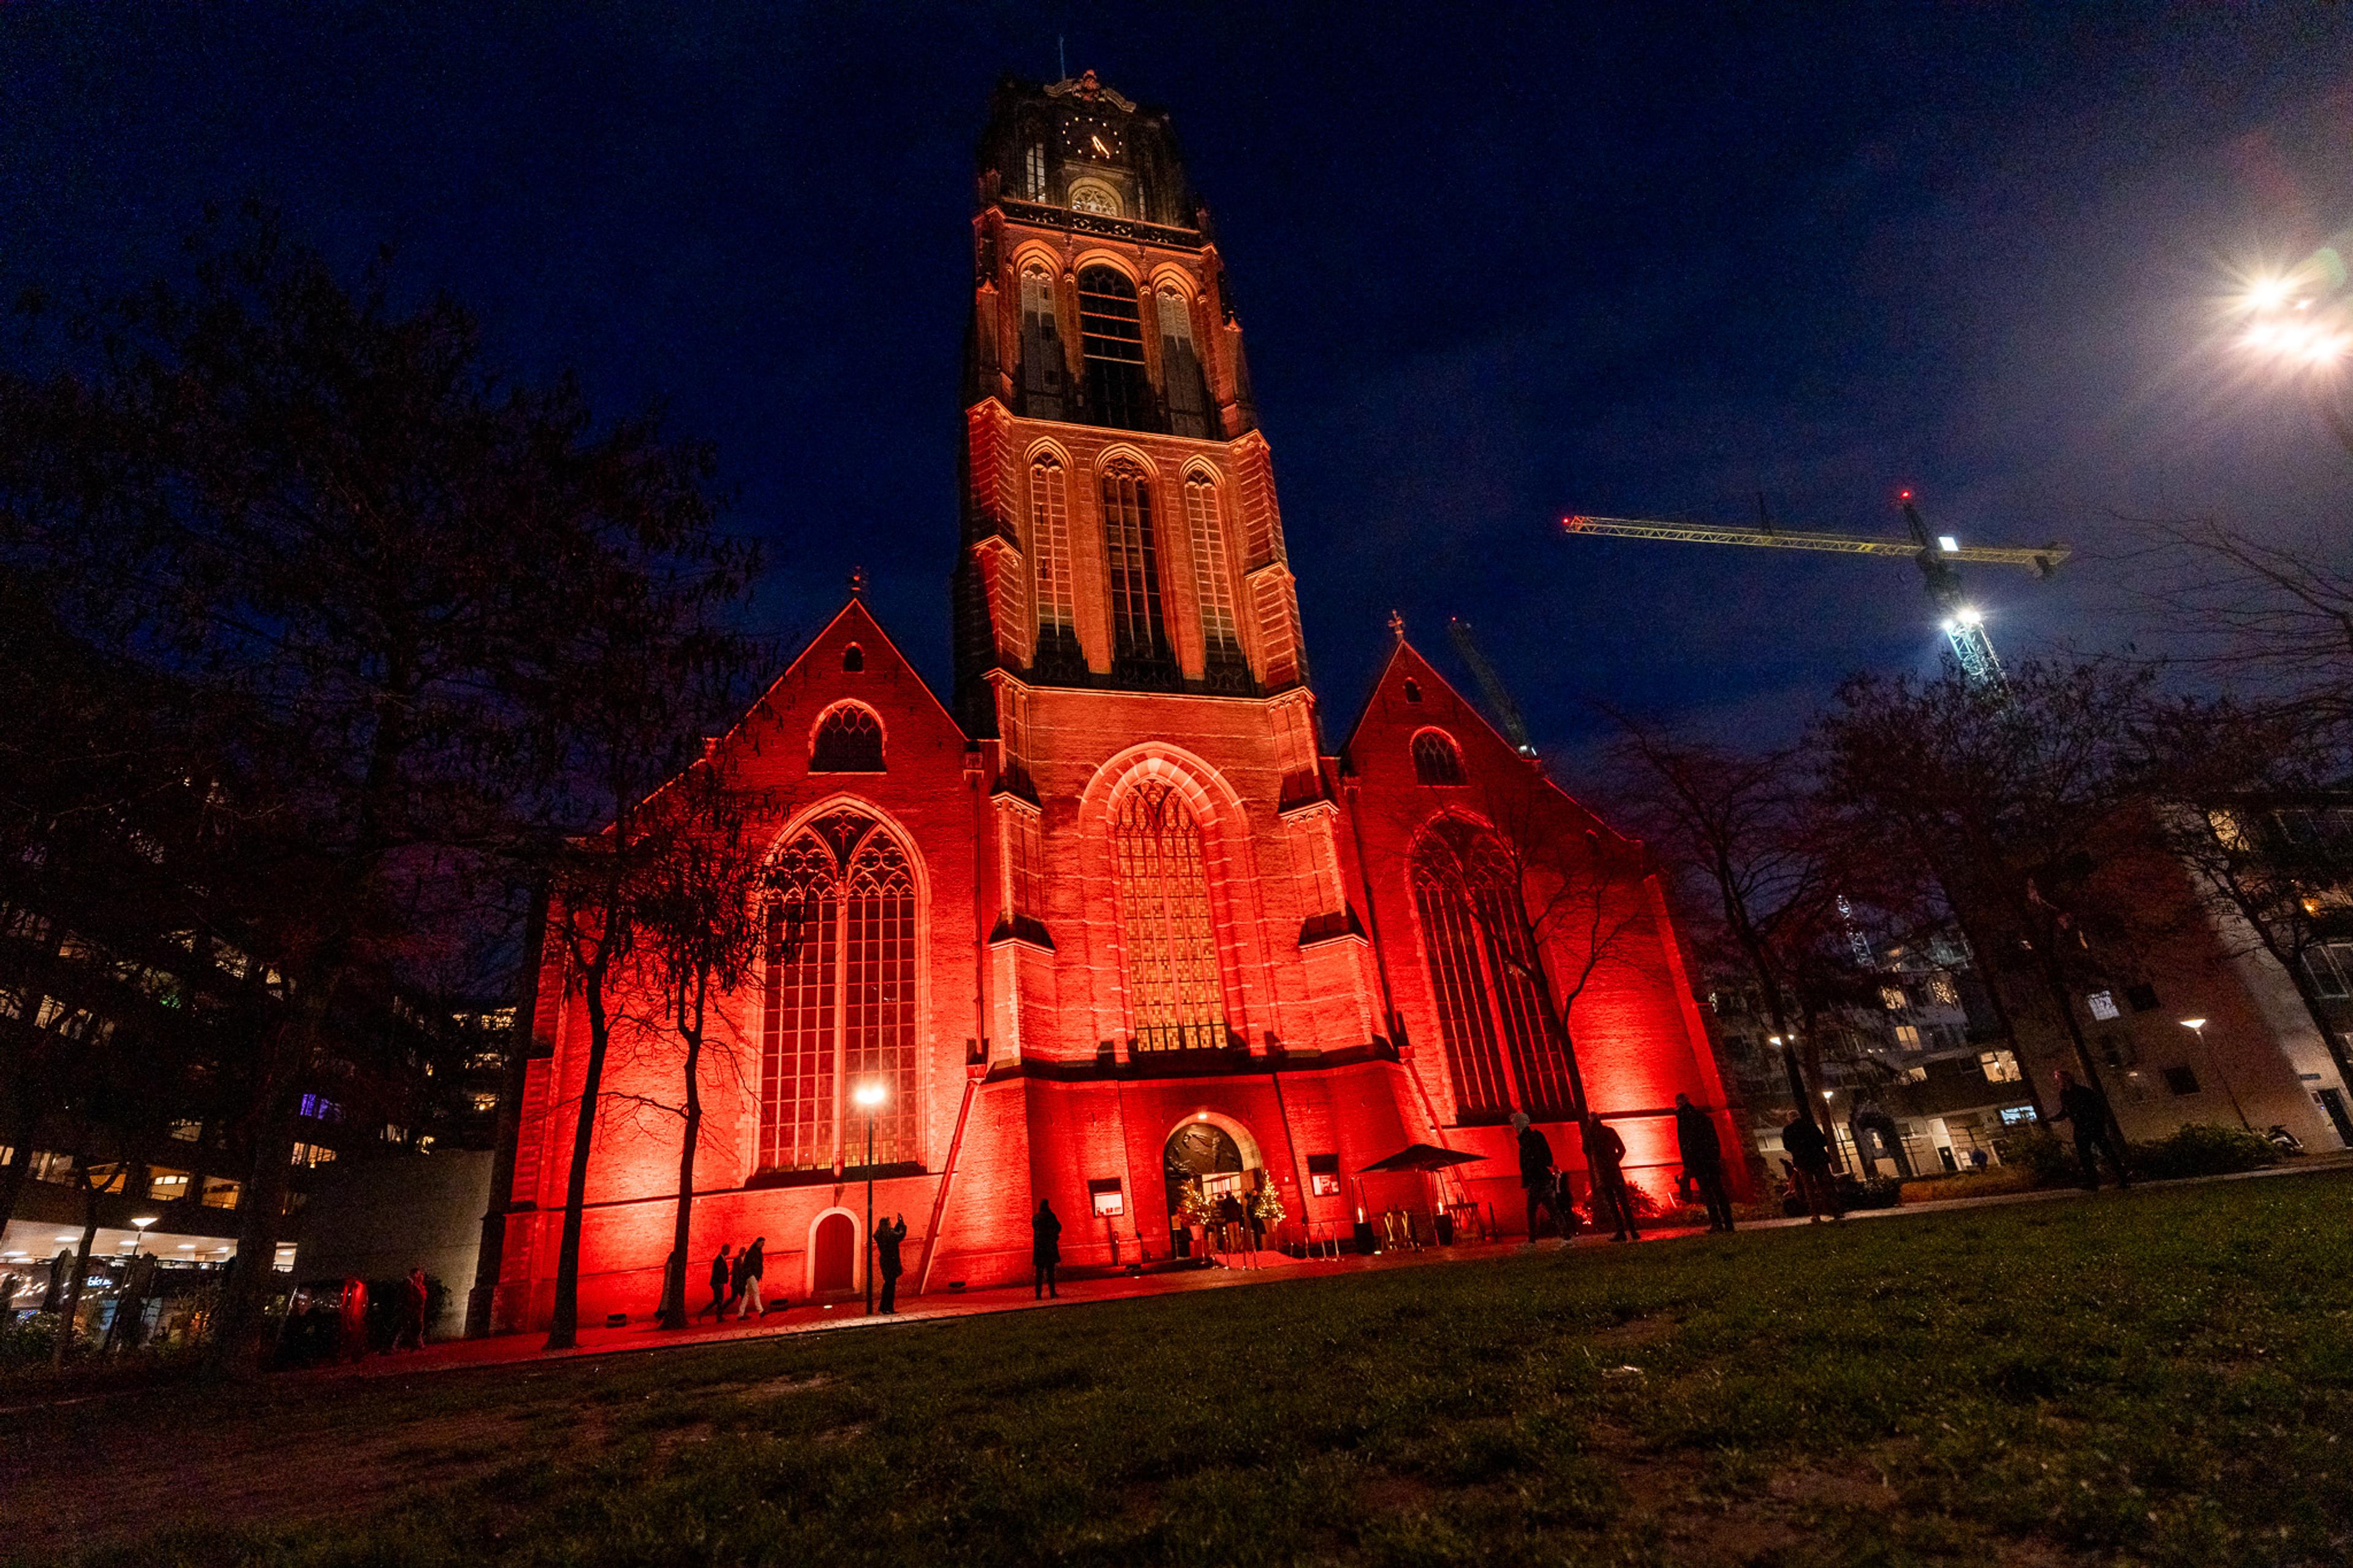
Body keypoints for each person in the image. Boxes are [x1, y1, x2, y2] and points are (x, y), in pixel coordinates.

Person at [2050, 1069, 2131, 1191]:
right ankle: (2093, 1182)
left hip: (2093, 1126)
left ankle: (2123, 1179)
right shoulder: (2064, 1094)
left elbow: (2098, 1107)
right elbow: (2066, 1110)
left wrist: (2098, 1123)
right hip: (2080, 1127)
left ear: (2067, 1079)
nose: (2058, 1083)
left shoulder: (2083, 1092)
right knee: (2085, 1156)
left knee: (2108, 1152)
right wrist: (2055, 1119)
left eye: (2059, 1080)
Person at [1674, 1093, 1735, 1233]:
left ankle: (1717, 1224)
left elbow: (1686, 1145)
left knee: (1708, 1194)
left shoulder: (1684, 1120)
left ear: (1679, 1105)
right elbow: (1714, 1140)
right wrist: (1715, 1158)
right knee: (1719, 1191)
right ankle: (1729, 1223)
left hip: (1698, 1163)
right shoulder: (1703, 1117)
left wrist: (1688, 1165)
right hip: (1711, 1161)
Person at [1583, 1114, 1641, 1241]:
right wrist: (1615, 1161)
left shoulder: (1590, 1134)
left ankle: (1621, 1232)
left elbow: (1585, 1150)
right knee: (1624, 1203)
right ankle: (1633, 1231)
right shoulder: (1609, 1131)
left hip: (1602, 1173)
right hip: (1614, 1172)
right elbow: (1622, 1149)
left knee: (1612, 1205)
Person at [1781, 1113, 1843, 1222]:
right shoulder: (1810, 1125)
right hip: (1819, 1159)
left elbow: (1787, 1146)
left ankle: (1815, 1214)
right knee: (1824, 1185)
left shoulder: (1788, 1130)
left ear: (1789, 1119)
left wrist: (1799, 1150)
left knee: (1808, 1187)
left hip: (1803, 1161)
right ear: (1799, 1116)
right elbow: (1823, 1140)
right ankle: (1834, 1211)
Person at [1512, 1110, 1561, 1245]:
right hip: (1541, 1178)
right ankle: (1565, 1234)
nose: (1514, 1127)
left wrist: (1530, 1177)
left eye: (1516, 1124)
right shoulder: (1531, 1138)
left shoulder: (1528, 1139)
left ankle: (1532, 1238)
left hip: (1537, 1179)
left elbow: (1529, 1162)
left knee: (1532, 1209)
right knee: (1552, 1208)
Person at [873, 1214, 909, 1314]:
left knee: (887, 1284)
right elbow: (900, 1235)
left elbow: (894, 1233)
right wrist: (902, 1224)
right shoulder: (890, 1235)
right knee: (891, 1286)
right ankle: (888, 1307)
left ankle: (883, 1307)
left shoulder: (879, 1235)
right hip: (892, 1261)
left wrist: (898, 1224)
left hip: (884, 1261)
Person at [1032, 1198, 1063, 1299]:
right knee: (1050, 1272)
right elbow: (1058, 1227)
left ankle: (1038, 1294)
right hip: (1049, 1248)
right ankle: (1052, 1293)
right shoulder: (1050, 1216)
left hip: (1039, 1249)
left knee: (1039, 1273)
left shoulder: (1035, 1218)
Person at [393, 1267, 430, 1350]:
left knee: (412, 1327)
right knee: (408, 1327)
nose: (418, 1276)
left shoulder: (412, 1284)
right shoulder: (409, 1284)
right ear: (413, 1274)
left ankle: (416, 1344)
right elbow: (409, 1297)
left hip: (413, 1308)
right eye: (417, 1274)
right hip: (410, 1308)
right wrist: (412, 1306)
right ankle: (398, 1345)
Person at [735, 1236, 767, 1318]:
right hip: (751, 1275)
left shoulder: (756, 1252)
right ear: (758, 1242)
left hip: (752, 1275)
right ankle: (761, 1311)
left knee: (747, 1295)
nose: (763, 1245)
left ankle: (741, 1313)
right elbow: (749, 1265)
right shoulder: (752, 1252)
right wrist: (752, 1274)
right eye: (762, 1243)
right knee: (756, 1292)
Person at [703, 1243, 733, 1320]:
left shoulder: (721, 1258)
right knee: (719, 1300)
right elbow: (718, 1272)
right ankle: (719, 1316)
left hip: (718, 1282)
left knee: (717, 1300)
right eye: (728, 1249)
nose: (729, 1251)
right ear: (724, 1249)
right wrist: (722, 1280)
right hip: (718, 1283)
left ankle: (703, 1313)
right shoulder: (719, 1259)